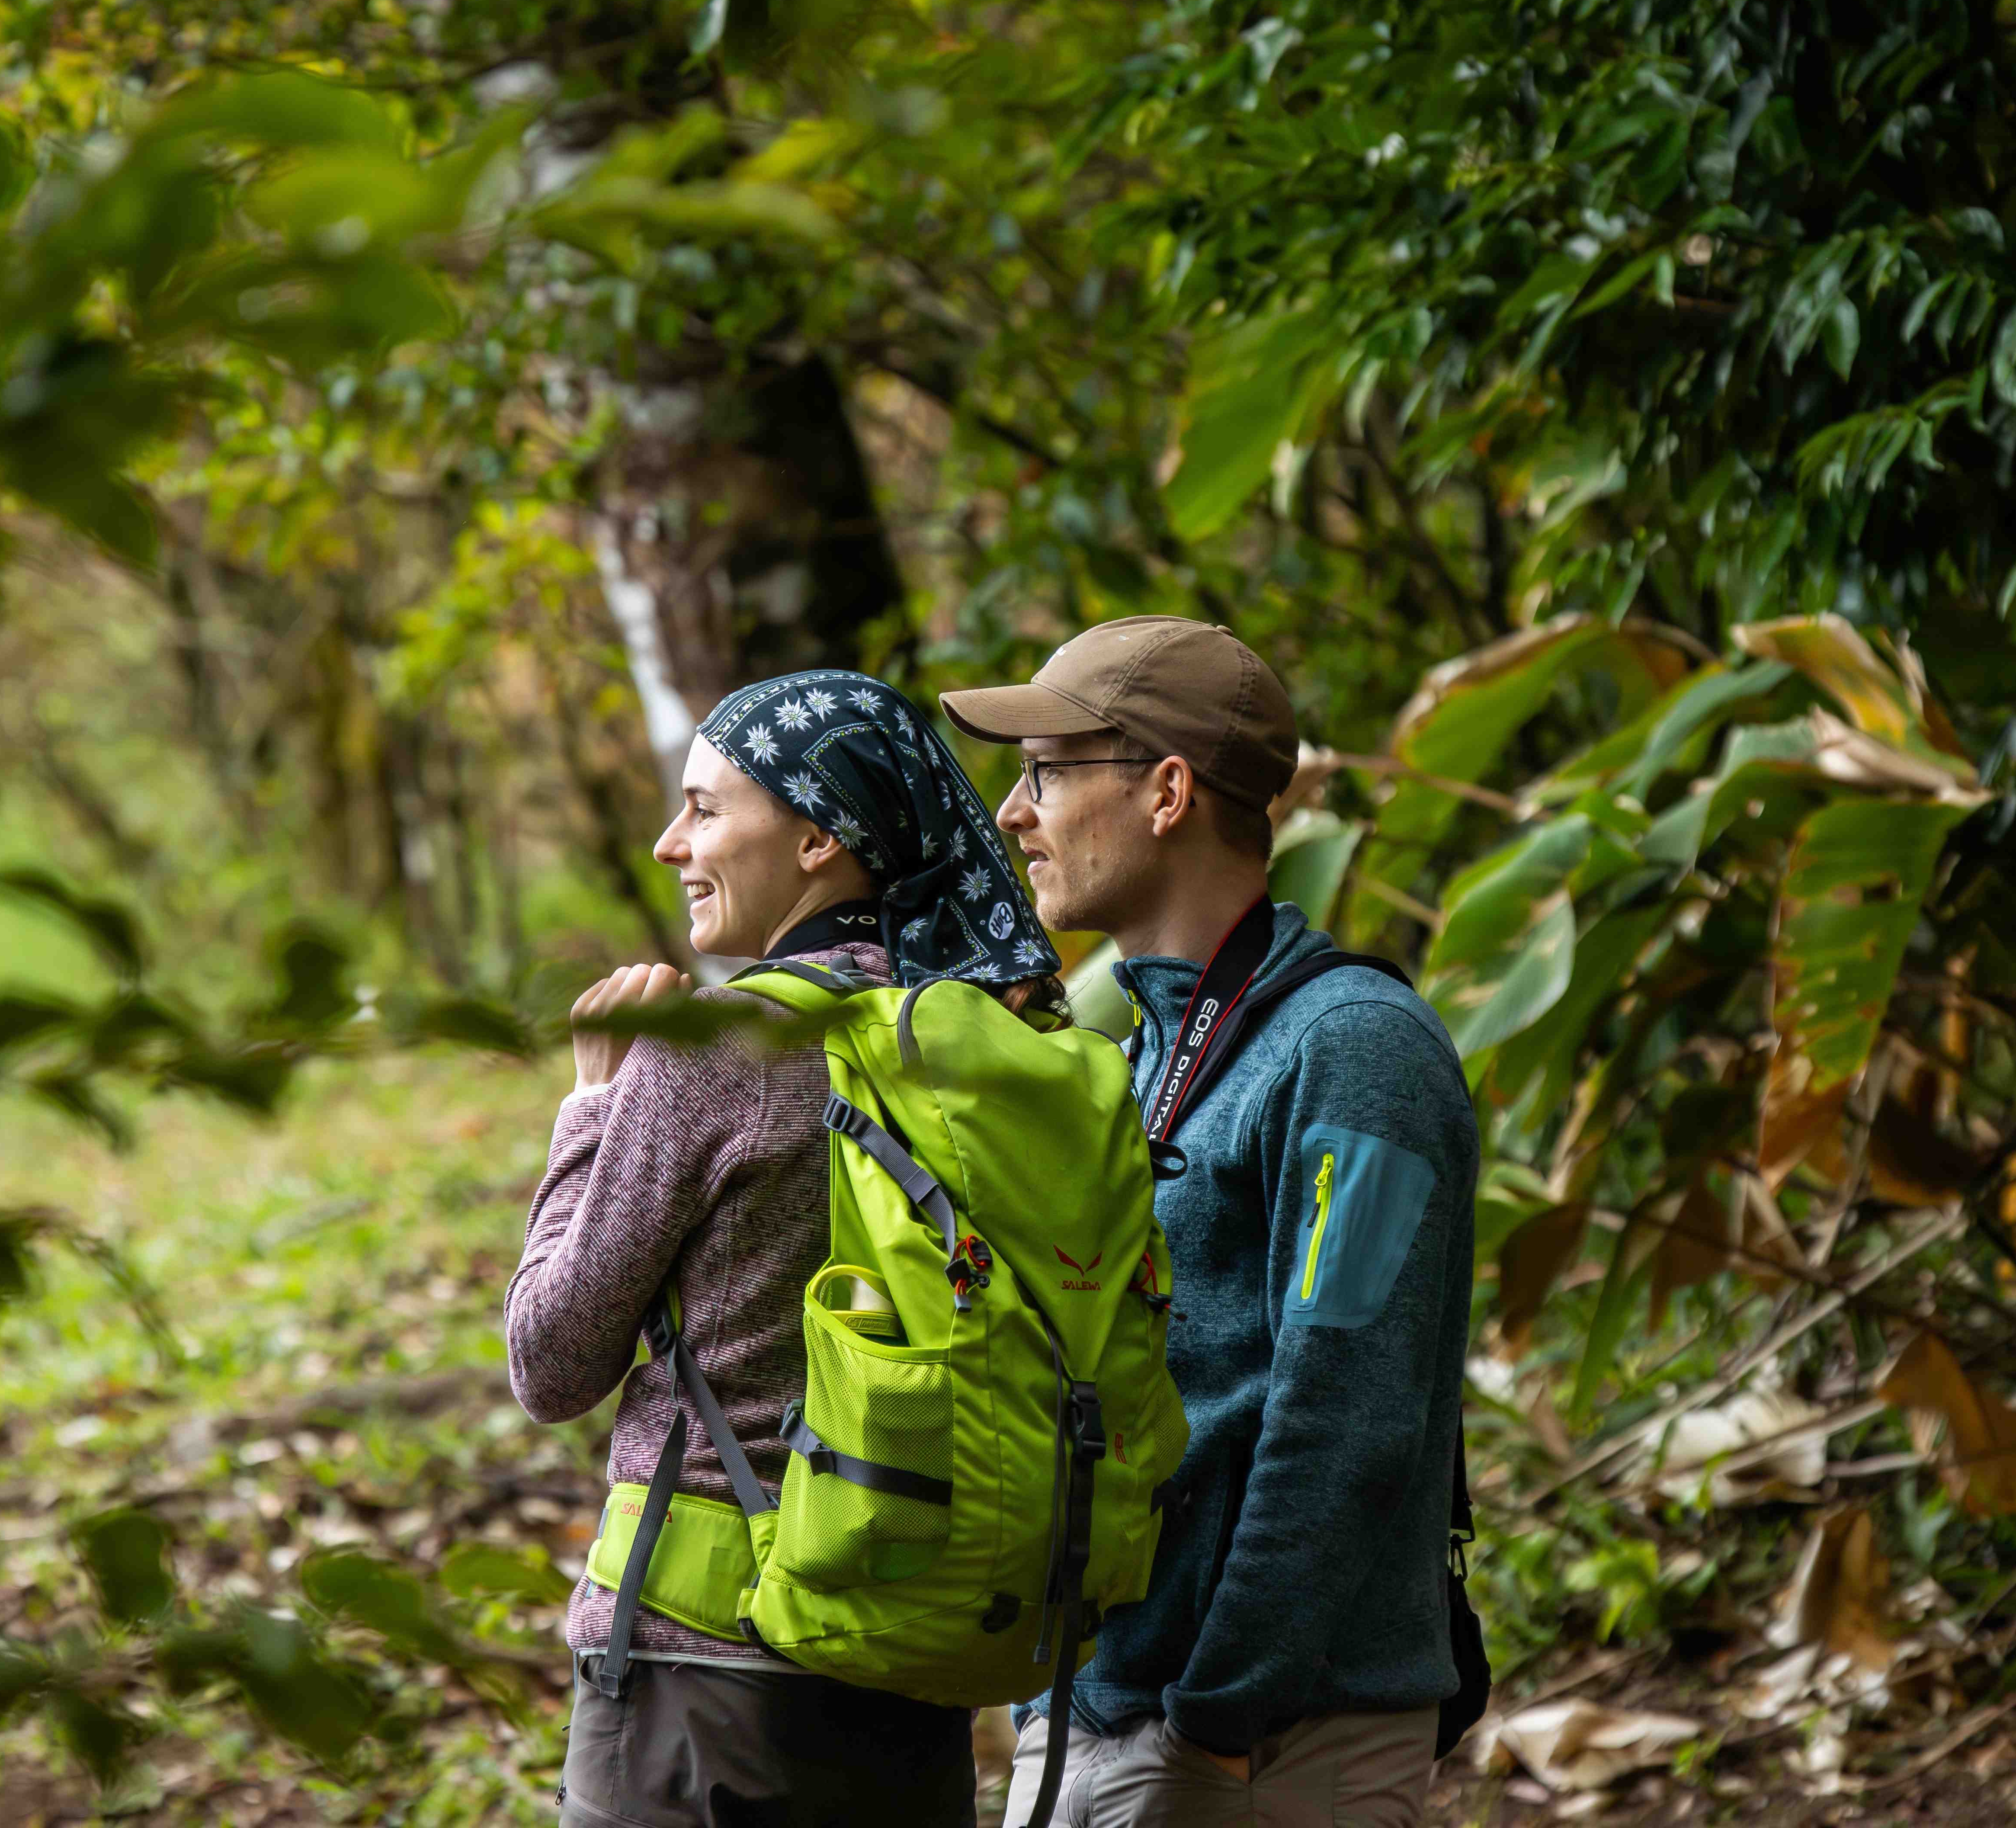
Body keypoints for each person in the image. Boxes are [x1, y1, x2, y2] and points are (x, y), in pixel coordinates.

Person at [940, 616, 1480, 1828]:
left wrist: (1218, 1716)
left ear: (1168, 790)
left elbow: (1350, 1410)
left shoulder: (1359, 1056)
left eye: (1045, 772)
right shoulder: (1136, 1055)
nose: (1013, 815)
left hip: (1270, 1743)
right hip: (1100, 1714)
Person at [506, 667, 1066, 1828]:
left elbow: (550, 1363)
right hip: (913, 1654)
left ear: (817, 838)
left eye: (707, 808)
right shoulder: (988, 1051)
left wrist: (590, 1107)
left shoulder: (708, 1053)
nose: (671, 843)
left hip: (697, 1666)